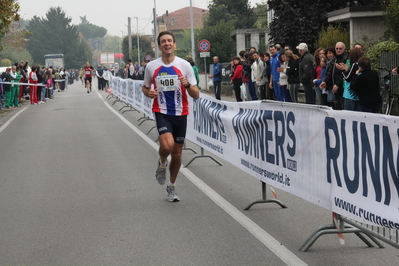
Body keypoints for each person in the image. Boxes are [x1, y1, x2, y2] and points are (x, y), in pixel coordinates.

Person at [142, 31, 199, 202]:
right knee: (166, 146)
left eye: (169, 41)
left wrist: (187, 84)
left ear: (174, 45)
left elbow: (196, 94)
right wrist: (149, 92)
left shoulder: (185, 66)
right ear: (159, 46)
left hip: (181, 113)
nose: (167, 43)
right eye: (163, 41)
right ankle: (161, 163)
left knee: (176, 153)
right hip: (162, 111)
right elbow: (145, 87)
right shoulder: (152, 66)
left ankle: (171, 187)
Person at [320, 42, 349, 110]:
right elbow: (330, 72)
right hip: (334, 88)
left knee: (343, 108)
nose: (338, 50)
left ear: (344, 49)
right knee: (336, 108)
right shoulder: (334, 59)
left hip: (343, 88)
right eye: (337, 49)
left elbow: (346, 74)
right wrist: (325, 82)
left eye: (340, 49)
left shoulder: (347, 59)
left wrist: (337, 84)